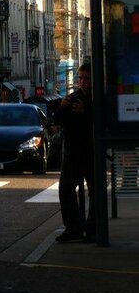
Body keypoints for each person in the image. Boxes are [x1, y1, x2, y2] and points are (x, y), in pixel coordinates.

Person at [52, 63, 95, 243]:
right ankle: (73, 226)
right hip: (73, 152)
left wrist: (86, 111)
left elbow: (104, 119)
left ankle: (92, 228)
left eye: (86, 79)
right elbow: (58, 122)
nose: (83, 82)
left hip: (92, 152)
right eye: (81, 78)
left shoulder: (98, 97)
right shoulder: (73, 98)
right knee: (65, 189)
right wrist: (62, 107)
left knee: (96, 191)